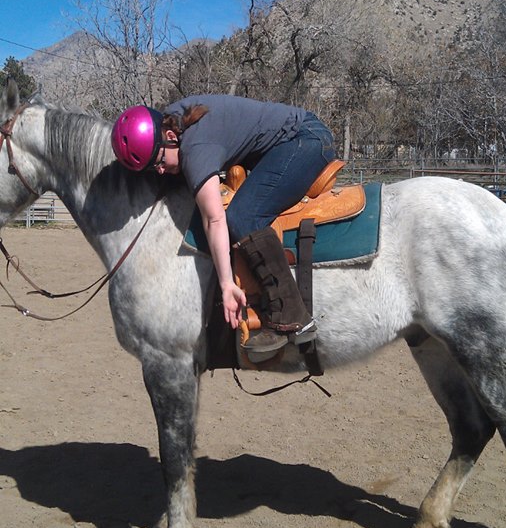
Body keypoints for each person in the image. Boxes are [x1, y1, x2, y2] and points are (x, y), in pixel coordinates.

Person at [111, 94, 337, 359]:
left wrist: (227, 283)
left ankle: (293, 317)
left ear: (171, 137)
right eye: (153, 169)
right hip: (286, 141)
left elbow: (214, 219)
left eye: (159, 162)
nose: (160, 171)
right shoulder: (171, 120)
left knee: (244, 216)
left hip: (306, 140)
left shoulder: (196, 149)